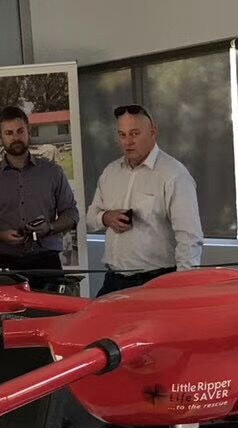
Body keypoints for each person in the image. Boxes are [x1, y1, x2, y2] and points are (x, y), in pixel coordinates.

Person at [85, 104, 203, 295]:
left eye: (134, 134)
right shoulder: (110, 173)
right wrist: (106, 218)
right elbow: (90, 219)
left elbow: (189, 237)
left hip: (156, 282)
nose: (128, 142)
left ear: (153, 132)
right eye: (122, 135)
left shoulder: (173, 175)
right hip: (113, 280)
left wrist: (183, 288)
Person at [0, 106, 79, 287]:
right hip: (7, 263)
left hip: (47, 263)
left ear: (28, 131)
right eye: (9, 133)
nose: (15, 137)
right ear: (1, 137)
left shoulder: (53, 172)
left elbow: (71, 213)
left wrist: (49, 227)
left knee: (51, 306)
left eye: (20, 131)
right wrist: (1, 235)